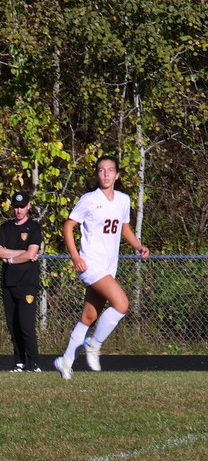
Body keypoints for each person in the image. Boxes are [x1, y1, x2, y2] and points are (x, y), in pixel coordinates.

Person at [54, 156, 150, 379]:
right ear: (97, 175)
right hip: (90, 263)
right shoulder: (89, 199)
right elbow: (68, 227)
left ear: (117, 175)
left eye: (110, 170)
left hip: (108, 266)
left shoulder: (123, 200)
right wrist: (75, 257)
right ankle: (94, 344)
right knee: (122, 304)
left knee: (89, 317)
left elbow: (124, 228)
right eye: (101, 170)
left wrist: (138, 245)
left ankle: (65, 361)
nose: (106, 174)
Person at [0, 192, 43, 372]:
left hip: (27, 283)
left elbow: (32, 254)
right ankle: (19, 362)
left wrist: (11, 257)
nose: (19, 210)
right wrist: (21, 254)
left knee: (26, 325)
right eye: (16, 207)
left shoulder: (34, 227)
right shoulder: (6, 227)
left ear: (28, 206)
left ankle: (33, 363)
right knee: (13, 325)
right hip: (9, 283)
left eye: (22, 207)